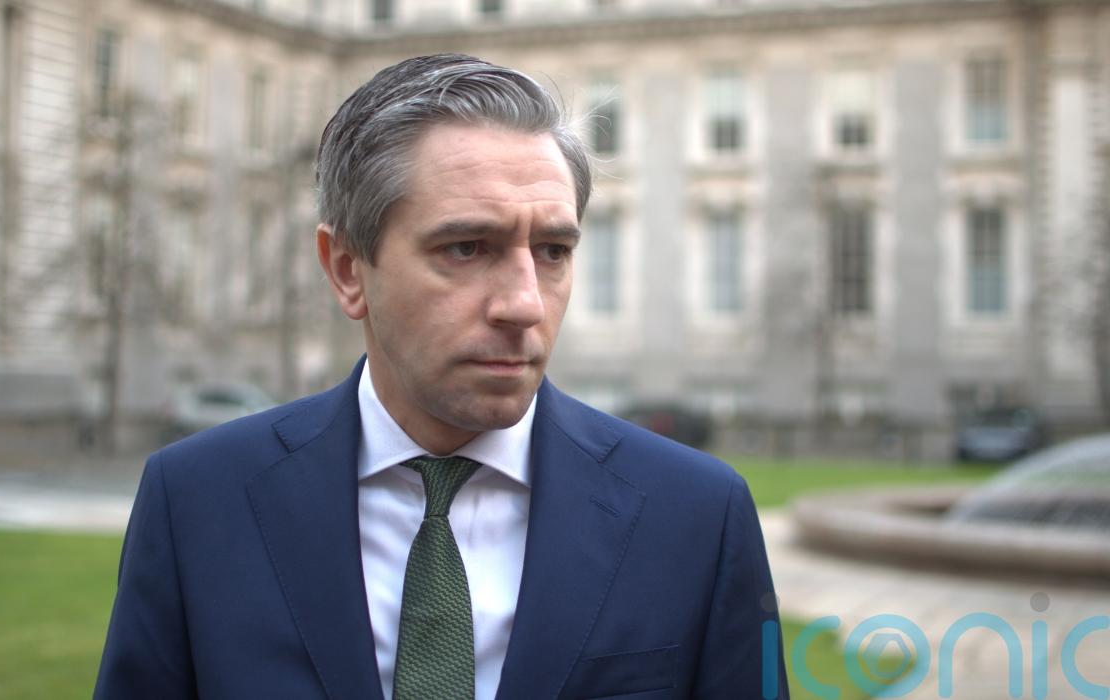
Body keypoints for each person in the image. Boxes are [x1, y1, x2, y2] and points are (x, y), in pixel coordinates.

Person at [94, 53, 789, 700]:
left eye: (552, 251)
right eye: (466, 248)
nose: (524, 303)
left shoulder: (697, 516)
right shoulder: (197, 501)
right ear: (347, 270)